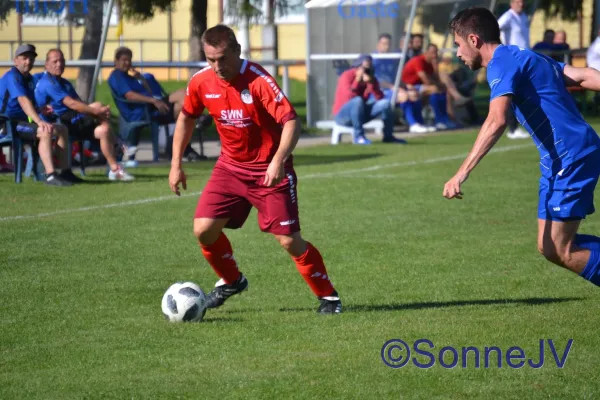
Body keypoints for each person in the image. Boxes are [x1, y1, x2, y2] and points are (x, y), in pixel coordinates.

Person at [168, 24, 343, 314]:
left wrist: (277, 161)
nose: (217, 66)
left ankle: (329, 297)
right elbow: (186, 118)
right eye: (211, 59)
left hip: (268, 169)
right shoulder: (201, 82)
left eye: (222, 58)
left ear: (237, 51)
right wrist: (176, 165)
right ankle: (232, 280)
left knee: (288, 240)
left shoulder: (258, 80)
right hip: (230, 168)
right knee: (203, 230)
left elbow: (291, 122)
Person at [443, 7, 600, 288]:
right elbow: (582, 76)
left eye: (458, 44)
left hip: (572, 156)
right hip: (557, 160)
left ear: (474, 40)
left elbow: (497, 119)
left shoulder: (501, 63)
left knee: (560, 249)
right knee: (548, 247)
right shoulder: (524, 55)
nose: (457, 53)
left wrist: (461, 173)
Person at [35, 49, 134, 181]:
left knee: (104, 129)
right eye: (55, 61)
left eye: (62, 61)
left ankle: (114, 169)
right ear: (46, 64)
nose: (59, 64)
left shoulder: (64, 82)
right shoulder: (48, 82)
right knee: (97, 106)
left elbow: (79, 103)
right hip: (60, 122)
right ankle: (118, 144)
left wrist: (97, 113)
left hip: (73, 120)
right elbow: (71, 104)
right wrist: (97, 112)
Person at [107, 47, 203, 165]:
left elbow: (149, 92)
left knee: (185, 93)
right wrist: (153, 101)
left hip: (150, 105)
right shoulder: (117, 76)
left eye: (129, 60)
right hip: (142, 111)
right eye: (124, 60)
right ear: (116, 61)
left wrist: (141, 78)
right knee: (185, 108)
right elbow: (129, 96)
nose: (127, 63)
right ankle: (179, 141)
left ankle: (181, 137)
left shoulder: (129, 76)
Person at [0, 44, 72, 186]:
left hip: (20, 123)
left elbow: (29, 104)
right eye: (24, 58)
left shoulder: (30, 80)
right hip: (7, 124)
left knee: (62, 129)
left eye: (31, 59)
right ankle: (50, 176)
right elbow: (22, 100)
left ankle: (66, 173)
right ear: (16, 61)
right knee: (45, 130)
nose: (28, 62)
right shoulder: (13, 76)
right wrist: (39, 120)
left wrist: (41, 109)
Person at [332, 54, 407, 143]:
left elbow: (380, 98)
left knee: (385, 103)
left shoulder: (370, 77)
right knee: (357, 101)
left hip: (360, 114)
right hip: (343, 116)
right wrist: (357, 80)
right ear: (358, 67)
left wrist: (371, 84)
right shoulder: (346, 75)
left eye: (369, 67)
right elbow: (349, 97)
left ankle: (388, 136)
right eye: (365, 68)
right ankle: (359, 137)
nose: (367, 70)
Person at [372, 33, 430, 133]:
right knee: (404, 95)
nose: (387, 46)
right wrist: (395, 88)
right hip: (379, 91)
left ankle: (420, 123)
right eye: (384, 44)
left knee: (414, 93)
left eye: (388, 44)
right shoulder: (374, 59)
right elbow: (376, 81)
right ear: (378, 44)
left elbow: (397, 78)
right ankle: (412, 124)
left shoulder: (390, 59)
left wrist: (407, 85)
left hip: (394, 89)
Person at [497, 0, 530, 139]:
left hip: (525, 60)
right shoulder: (508, 16)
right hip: (513, 60)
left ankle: (521, 125)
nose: (521, 4)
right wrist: (503, 50)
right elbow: (495, 29)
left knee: (524, 93)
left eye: (522, 1)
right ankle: (512, 128)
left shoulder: (523, 16)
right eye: (518, 1)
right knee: (511, 93)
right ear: (512, 3)